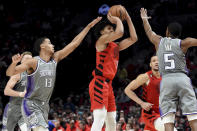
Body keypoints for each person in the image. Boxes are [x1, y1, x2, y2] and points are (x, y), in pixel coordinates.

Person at [6, 17, 102, 131]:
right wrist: (14, 63)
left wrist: (89, 26)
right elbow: (10, 72)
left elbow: (74, 43)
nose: (53, 45)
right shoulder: (33, 62)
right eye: (49, 43)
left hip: (44, 106)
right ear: (42, 47)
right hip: (30, 104)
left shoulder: (55, 58)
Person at [140, 7, 197, 131]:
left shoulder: (159, 41)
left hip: (166, 81)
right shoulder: (183, 43)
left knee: (168, 119)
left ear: (167, 31)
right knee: (193, 117)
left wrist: (145, 20)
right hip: (182, 79)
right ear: (179, 34)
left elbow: (149, 32)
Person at [89, 7, 137, 131]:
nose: (112, 30)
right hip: (99, 82)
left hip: (108, 85)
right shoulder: (100, 41)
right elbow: (120, 33)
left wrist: (128, 18)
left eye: (112, 28)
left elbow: (133, 38)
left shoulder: (115, 46)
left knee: (111, 119)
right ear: (101, 32)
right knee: (99, 117)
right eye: (109, 28)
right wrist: (116, 19)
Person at [125, 56, 164, 131]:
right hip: (151, 113)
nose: (156, 62)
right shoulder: (145, 77)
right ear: (150, 64)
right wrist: (141, 103)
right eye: (154, 61)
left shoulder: (167, 77)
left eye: (159, 60)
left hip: (163, 113)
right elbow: (127, 90)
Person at [2, 51, 32, 131]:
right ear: (21, 60)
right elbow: (6, 91)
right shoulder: (17, 73)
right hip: (13, 107)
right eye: (26, 59)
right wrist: (21, 94)